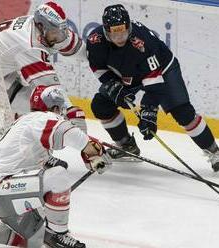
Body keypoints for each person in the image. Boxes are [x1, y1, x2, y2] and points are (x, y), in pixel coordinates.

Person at [0, 85, 112, 248]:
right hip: (4, 189)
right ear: (53, 108)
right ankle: (58, 234)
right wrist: (97, 152)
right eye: (59, 109)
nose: (61, 113)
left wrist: (89, 154)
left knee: (38, 240)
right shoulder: (44, 118)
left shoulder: (26, 122)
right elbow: (80, 140)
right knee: (58, 176)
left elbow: (38, 159)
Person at [86, 4, 219, 171]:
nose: (119, 36)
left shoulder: (142, 42)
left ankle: (215, 153)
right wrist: (111, 84)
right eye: (114, 32)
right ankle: (126, 146)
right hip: (128, 74)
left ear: (129, 27)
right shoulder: (95, 41)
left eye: (123, 31)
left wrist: (149, 112)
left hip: (163, 69)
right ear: (106, 31)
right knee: (101, 105)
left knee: (182, 112)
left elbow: (153, 82)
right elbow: (98, 67)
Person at [0, 1, 87, 132]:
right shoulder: (28, 43)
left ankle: (10, 137)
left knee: (27, 102)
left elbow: (81, 49)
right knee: (34, 104)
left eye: (62, 31)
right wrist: (70, 111)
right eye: (56, 33)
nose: (60, 37)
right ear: (42, 27)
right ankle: (10, 140)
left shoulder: (48, 30)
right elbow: (50, 89)